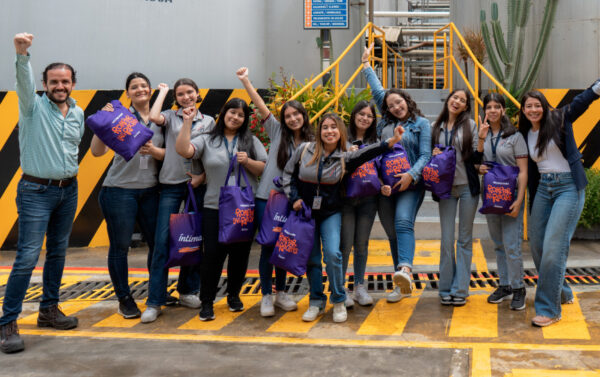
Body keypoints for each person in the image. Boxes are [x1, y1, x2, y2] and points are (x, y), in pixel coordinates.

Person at [1, 33, 84, 354]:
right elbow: (23, 80)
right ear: (45, 84)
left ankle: (49, 310)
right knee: (26, 258)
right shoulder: (32, 107)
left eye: (65, 81)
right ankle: (8, 321)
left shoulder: (77, 113)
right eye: (53, 81)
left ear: (72, 83)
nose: (59, 86)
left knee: (58, 253)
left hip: (69, 190)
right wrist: (22, 54)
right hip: (35, 190)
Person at [282, 113, 404, 323]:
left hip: (330, 212)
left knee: (332, 254)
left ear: (341, 132)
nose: (329, 131)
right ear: (319, 132)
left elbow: (368, 153)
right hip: (306, 213)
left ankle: (338, 300)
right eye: (325, 127)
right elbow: (288, 175)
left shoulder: (345, 157)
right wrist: (294, 198)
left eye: (334, 127)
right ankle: (315, 302)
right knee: (312, 260)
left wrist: (390, 142)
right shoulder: (304, 150)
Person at [176, 98, 267, 321]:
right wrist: (187, 122)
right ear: (223, 112)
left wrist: (247, 162)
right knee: (212, 256)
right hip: (214, 207)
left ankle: (234, 295)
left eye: (240, 115)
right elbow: (184, 150)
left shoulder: (251, 141)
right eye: (232, 112)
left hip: (244, 207)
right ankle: (207, 302)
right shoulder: (207, 139)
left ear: (245, 120)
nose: (235, 117)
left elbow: (263, 168)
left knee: (240, 255)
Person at [519, 79, 600, 327]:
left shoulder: (559, 119)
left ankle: (549, 308)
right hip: (544, 188)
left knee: (555, 247)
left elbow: (580, 103)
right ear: (523, 111)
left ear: (544, 106)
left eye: (537, 105)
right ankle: (562, 291)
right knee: (538, 246)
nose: (533, 110)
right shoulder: (525, 133)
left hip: (568, 188)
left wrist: (596, 88)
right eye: (528, 106)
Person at [236, 67, 313, 317]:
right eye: (288, 115)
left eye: (296, 114)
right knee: (268, 245)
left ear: (304, 115)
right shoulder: (277, 131)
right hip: (267, 199)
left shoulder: (313, 141)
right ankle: (266, 295)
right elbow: (260, 105)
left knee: (285, 245)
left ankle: (281, 292)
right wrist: (246, 80)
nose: (292, 119)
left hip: (293, 201)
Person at [90, 73, 165, 319]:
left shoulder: (161, 118)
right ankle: (124, 298)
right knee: (121, 247)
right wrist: (103, 121)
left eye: (144, 86)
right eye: (134, 87)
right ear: (128, 93)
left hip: (151, 190)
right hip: (119, 190)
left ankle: (156, 293)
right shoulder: (119, 116)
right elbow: (96, 152)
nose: (140, 89)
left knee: (157, 243)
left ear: (151, 90)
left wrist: (155, 150)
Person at [361, 44, 431, 303]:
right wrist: (366, 65)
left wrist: (411, 175)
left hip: (410, 185)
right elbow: (379, 91)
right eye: (391, 105)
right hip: (385, 186)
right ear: (386, 109)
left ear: (407, 100)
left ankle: (405, 270)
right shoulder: (386, 123)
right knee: (393, 233)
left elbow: (426, 155)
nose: (396, 106)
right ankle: (399, 283)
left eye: (399, 102)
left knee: (403, 222)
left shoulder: (421, 124)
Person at [142, 79, 215, 323]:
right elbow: (153, 117)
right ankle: (154, 301)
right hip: (172, 185)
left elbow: (212, 155)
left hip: (198, 187)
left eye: (190, 92)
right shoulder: (170, 117)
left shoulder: (209, 121)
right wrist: (162, 92)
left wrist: (202, 176)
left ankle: (187, 290)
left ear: (198, 94)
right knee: (163, 242)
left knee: (194, 240)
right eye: (180, 94)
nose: (186, 97)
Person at [476, 93, 528, 310]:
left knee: (512, 245)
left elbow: (524, 171)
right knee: (498, 244)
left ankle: (519, 288)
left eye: (497, 106)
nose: (493, 110)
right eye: (489, 107)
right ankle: (505, 285)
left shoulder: (514, 136)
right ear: (484, 111)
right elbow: (476, 161)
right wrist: (478, 164)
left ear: (503, 110)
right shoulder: (482, 134)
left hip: (511, 196)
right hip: (490, 195)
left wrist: (519, 199)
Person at [431, 90, 480, 306]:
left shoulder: (470, 126)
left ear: (466, 106)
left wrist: (484, 138)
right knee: (446, 239)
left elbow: (477, 154)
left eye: (462, 100)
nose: (457, 101)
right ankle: (445, 288)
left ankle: (460, 289)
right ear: (448, 100)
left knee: (464, 239)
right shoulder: (436, 127)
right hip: (446, 189)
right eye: (455, 98)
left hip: (467, 186)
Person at [340, 101, 379, 307]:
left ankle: (359, 287)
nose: (365, 118)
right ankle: (341, 288)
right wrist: (348, 153)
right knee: (345, 245)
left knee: (362, 245)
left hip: (369, 199)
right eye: (361, 114)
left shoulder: (375, 140)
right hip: (346, 197)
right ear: (354, 115)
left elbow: (381, 165)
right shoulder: (341, 137)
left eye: (369, 116)